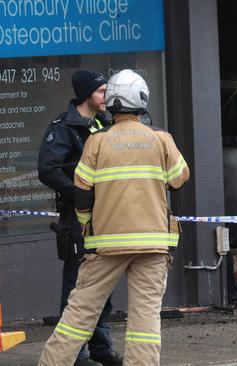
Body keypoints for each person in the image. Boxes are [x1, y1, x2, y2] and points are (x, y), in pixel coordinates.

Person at [38, 69, 190, 366]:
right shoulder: (161, 139)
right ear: (142, 98)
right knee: (145, 320)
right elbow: (180, 178)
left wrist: (85, 224)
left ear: (113, 101)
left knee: (79, 312)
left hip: (105, 243)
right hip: (153, 243)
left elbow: (82, 193)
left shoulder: (96, 141)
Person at [38, 70, 123, 366]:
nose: (106, 97)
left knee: (104, 281)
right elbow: (48, 169)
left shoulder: (105, 124)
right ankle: (76, 352)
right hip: (77, 217)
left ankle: (101, 347)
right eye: (102, 92)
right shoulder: (63, 128)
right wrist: (79, 194)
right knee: (77, 285)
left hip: (105, 215)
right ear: (88, 94)